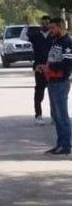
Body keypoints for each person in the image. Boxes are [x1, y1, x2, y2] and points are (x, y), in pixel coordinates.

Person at [40, 17, 72, 155]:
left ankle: (66, 145)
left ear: (61, 27)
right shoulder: (55, 41)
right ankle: (60, 144)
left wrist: (50, 67)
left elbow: (67, 64)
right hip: (52, 80)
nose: (50, 30)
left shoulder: (67, 43)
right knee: (56, 116)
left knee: (62, 115)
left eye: (53, 28)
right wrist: (44, 67)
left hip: (61, 81)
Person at [29, 16, 52, 124]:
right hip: (39, 68)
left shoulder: (54, 36)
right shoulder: (36, 36)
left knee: (53, 93)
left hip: (52, 68)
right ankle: (38, 115)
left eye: (47, 23)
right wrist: (27, 25)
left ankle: (54, 116)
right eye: (42, 23)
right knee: (39, 93)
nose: (44, 25)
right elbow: (23, 37)